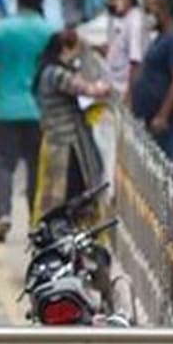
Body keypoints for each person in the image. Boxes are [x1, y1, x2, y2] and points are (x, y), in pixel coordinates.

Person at [0, 0, 56, 244]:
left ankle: (3, 215)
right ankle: (35, 221)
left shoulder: (1, 30)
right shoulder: (49, 32)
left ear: (17, 2)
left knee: (3, 166)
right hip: (39, 111)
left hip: (5, 110)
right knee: (36, 167)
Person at [34, 28, 112, 219]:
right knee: (67, 189)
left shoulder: (46, 70)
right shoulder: (57, 74)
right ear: (65, 49)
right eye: (75, 50)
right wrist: (106, 86)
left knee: (57, 188)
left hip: (56, 137)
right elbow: (89, 90)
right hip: (66, 141)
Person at [131, 0, 173, 167]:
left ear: (163, 11)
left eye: (151, 10)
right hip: (150, 115)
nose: (148, 15)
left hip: (167, 121)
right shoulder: (159, 39)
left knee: (167, 166)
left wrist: (163, 115)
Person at [105, 0, 143, 100]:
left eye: (113, 0)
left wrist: (129, 94)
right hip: (116, 85)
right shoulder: (125, 20)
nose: (110, 4)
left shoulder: (134, 23)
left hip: (124, 89)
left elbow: (136, 62)